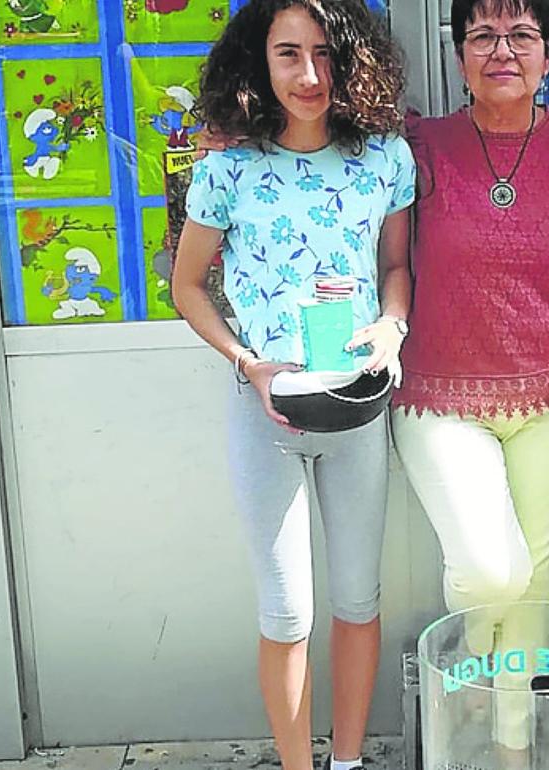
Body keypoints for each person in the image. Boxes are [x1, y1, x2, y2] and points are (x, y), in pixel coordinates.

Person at [171, 3, 415, 769]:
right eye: (288, 54)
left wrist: (392, 325)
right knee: (286, 614)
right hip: (266, 417)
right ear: (260, 61)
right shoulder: (227, 169)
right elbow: (186, 285)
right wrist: (245, 360)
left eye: (325, 53)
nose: (309, 75)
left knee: (358, 600)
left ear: (353, 61)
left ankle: (348, 761)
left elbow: (396, 266)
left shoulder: (385, 159)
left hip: (358, 410)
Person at [389, 0, 549, 737]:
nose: (502, 51)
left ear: (548, 54)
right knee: (491, 572)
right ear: (459, 57)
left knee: (539, 582)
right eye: (482, 35)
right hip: (439, 400)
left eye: (521, 35)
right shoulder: (421, 146)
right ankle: (470, 663)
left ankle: (513, 743)